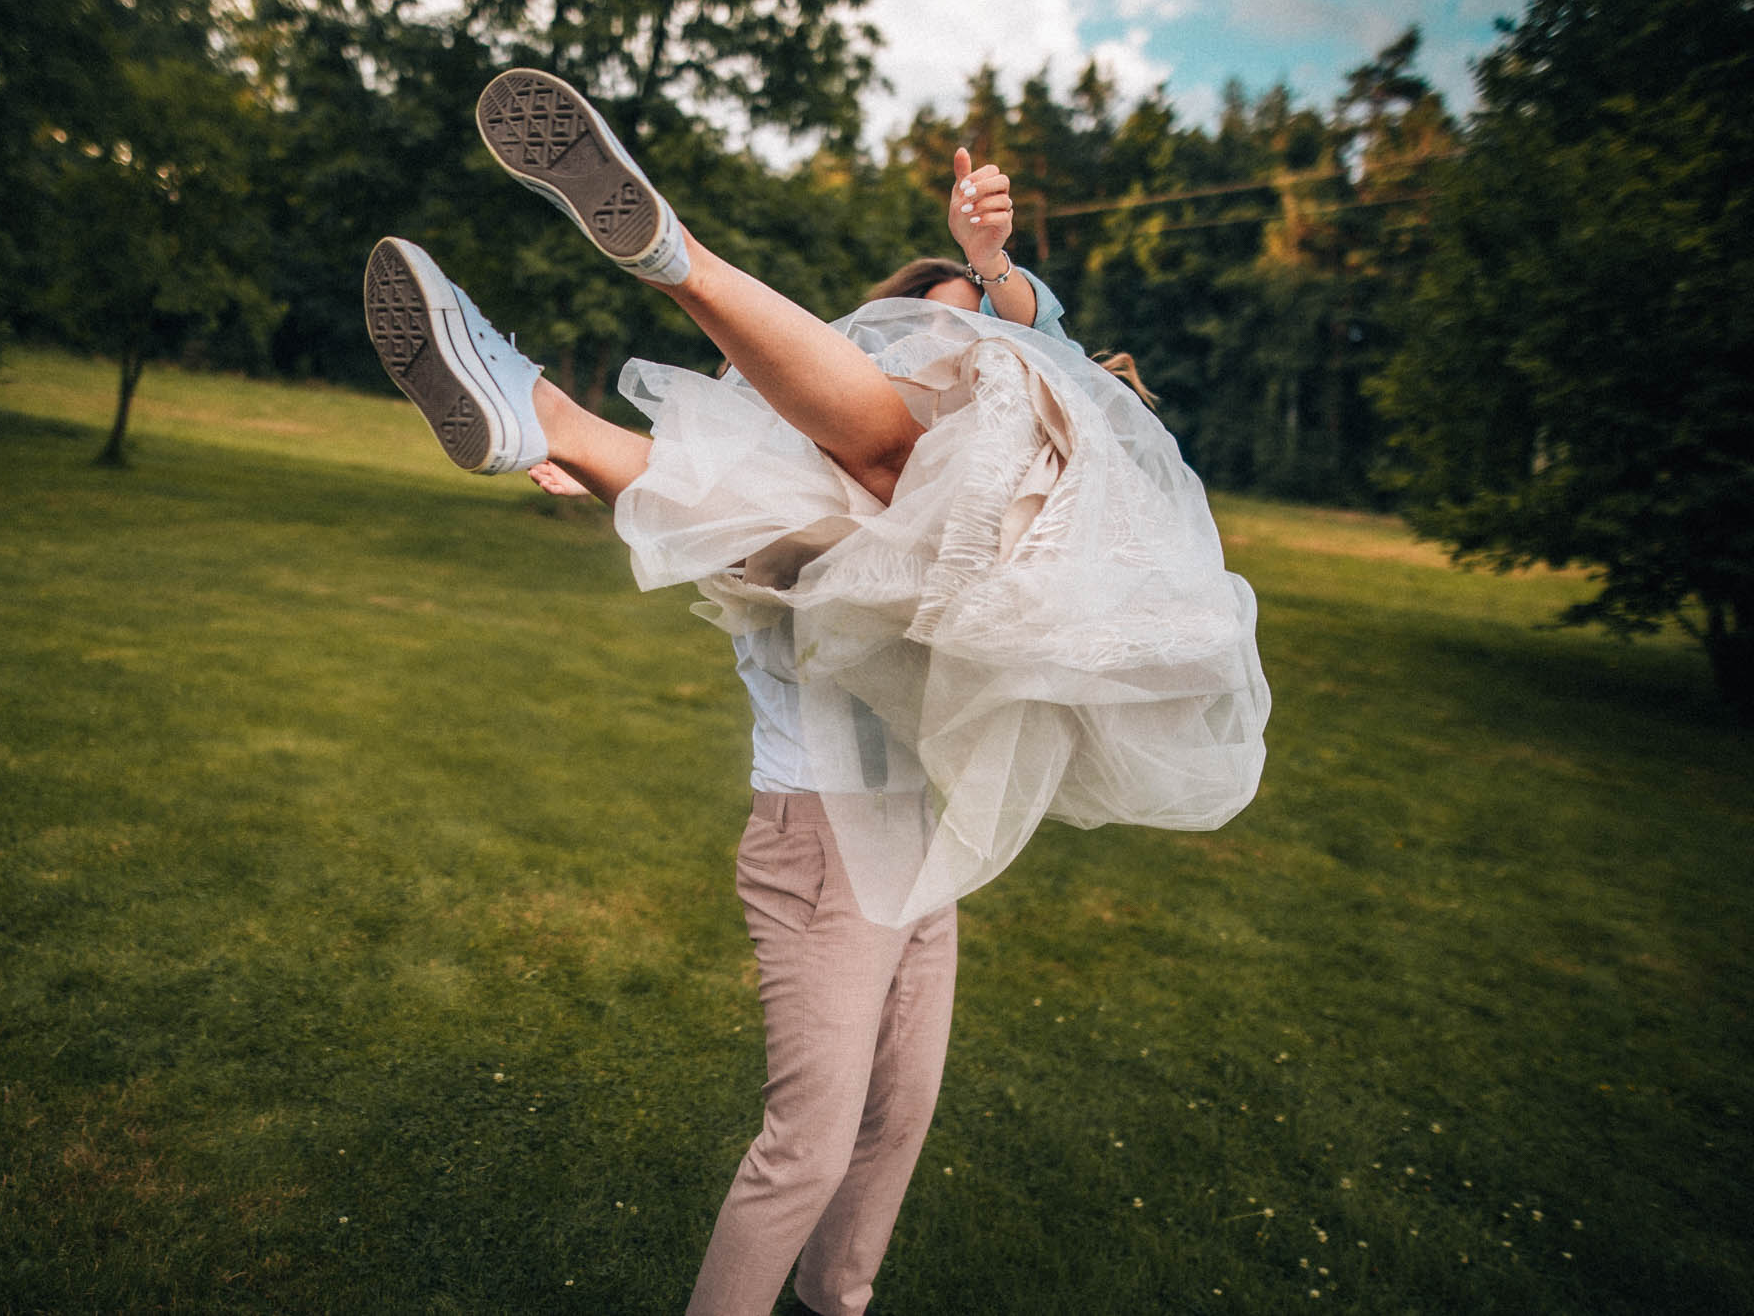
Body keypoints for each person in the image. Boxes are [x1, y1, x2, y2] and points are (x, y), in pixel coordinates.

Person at [361, 69, 1270, 1316]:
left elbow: (1060, 385)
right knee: (806, 1148)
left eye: (970, 347)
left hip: (923, 854)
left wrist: (995, 273)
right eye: (928, 344)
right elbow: (818, 488)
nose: (954, 368)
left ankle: (830, 1308)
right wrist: (645, 479)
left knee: (892, 1131)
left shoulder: (984, 515)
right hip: (825, 842)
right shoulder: (809, 492)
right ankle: (611, 331)